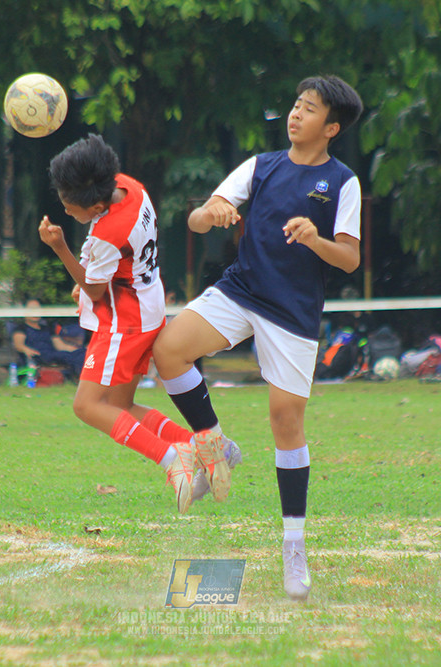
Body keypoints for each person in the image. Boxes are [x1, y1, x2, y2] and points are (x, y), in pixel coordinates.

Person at [152, 75, 364, 601]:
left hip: (292, 312)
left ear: (330, 127)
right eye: (295, 105)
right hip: (240, 291)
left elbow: (350, 258)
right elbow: (199, 220)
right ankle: (215, 444)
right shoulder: (261, 165)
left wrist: (316, 239)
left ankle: (294, 548)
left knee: (286, 421)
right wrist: (212, 212)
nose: (295, 114)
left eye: (309, 109)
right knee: (168, 350)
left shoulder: (343, 183)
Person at [38, 133, 230, 513]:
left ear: (93, 205)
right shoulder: (130, 187)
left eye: (69, 207)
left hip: (122, 321)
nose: (66, 213)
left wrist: (59, 246)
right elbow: (104, 260)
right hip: (147, 306)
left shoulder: (110, 231)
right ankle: (204, 447)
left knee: (87, 405)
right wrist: (89, 275)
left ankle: (174, 461)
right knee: (119, 404)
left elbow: (95, 290)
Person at [11, 298, 85, 380]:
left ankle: (85, 380)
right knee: (69, 357)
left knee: (81, 353)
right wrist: (26, 350)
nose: (35, 312)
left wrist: (76, 349)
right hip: (39, 356)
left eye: (38, 309)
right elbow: (19, 345)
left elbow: (60, 345)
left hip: (53, 354)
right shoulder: (21, 329)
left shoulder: (47, 328)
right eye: (32, 309)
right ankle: (81, 379)